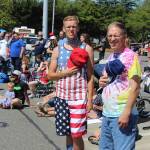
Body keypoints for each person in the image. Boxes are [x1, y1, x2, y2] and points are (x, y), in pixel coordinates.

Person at [48, 16, 94, 150]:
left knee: (76, 134)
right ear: (63, 29)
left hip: (79, 98)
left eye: (74, 26)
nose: (71, 29)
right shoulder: (58, 49)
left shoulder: (87, 49)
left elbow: (90, 76)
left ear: (78, 28)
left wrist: (90, 100)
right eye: (68, 27)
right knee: (67, 133)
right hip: (61, 97)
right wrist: (65, 73)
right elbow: (50, 75)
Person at [99, 22, 141, 150]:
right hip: (107, 114)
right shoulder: (112, 56)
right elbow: (112, 80)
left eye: (116, 35)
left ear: (124, 37)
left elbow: (135, 87)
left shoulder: (131, 57)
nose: (112, 39)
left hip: (121, 113)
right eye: (109, 35)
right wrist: (102, 82)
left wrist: (126, 112)